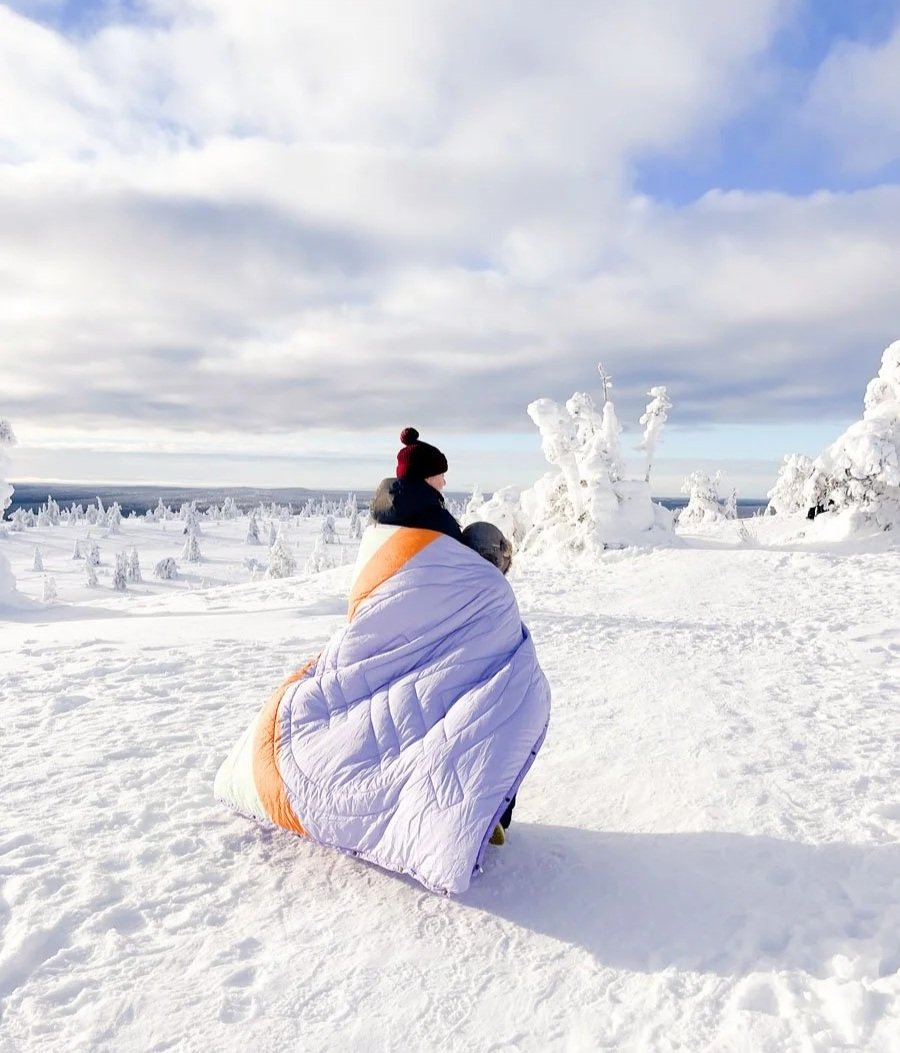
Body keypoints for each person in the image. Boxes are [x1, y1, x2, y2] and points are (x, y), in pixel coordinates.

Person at [369, 428, 463, 540]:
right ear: (427, 477)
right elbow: (464, 553)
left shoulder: (377, 518)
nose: (444, 482)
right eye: (442, 475)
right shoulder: (439, 521)